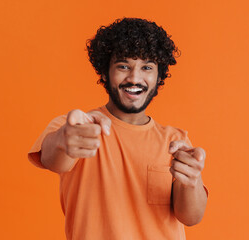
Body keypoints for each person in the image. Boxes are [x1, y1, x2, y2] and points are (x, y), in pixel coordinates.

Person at [28, 17, 208, 240]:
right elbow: (52, 158)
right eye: (123, 66)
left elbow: (191, 217)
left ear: (158, 76)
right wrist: (66, 140)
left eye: (147, 67)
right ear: (105, 72)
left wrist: (192, 180)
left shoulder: (176, 142)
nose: (134, 78)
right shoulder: (77, 126)